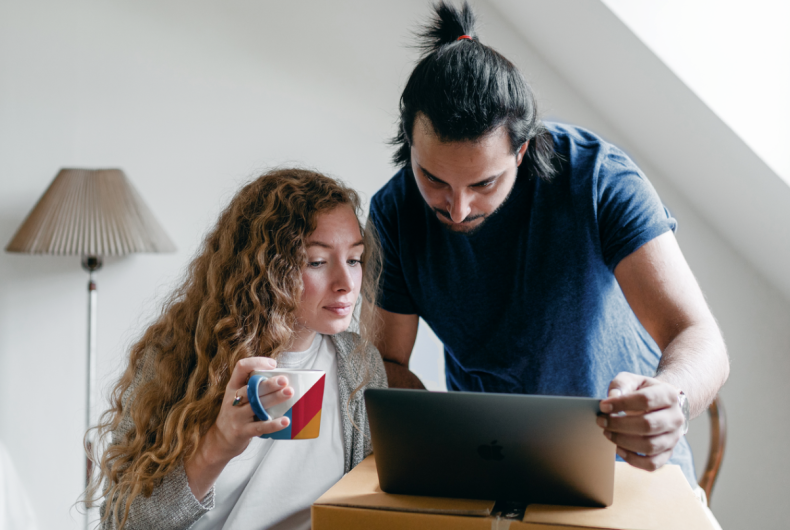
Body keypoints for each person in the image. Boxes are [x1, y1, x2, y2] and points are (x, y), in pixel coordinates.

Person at [369, 2, 729, 491]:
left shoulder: (597, 178)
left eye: (483, 183)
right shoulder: (393, 212)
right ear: (409, 142)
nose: (456, 209)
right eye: (433, 179)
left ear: (520, 150)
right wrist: (436, 430)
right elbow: (386, 362)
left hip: (633, 471)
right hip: (492, 475)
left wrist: (673, 398)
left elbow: (698, 334)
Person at [90, 168, 388, 530]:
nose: (346, 283)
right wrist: (219, 443)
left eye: (354, 259)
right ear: (267, 269)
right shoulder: (179, 358)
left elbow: (371, 505)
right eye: (317, 261)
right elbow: (120, 522)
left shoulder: (359, 364)